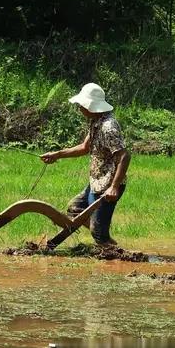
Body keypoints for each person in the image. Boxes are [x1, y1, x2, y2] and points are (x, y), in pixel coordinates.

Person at [40, 83, 131, 246]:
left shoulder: (108, 127)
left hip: (108, 185)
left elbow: (124, 156)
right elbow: (84, 147)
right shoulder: (95, 121)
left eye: (82, 105)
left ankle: (116, 257)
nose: (79, 108)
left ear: (91, 105)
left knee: (98, 234)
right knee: (75, 209)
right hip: (96, 181)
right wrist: (57, 154)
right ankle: (103, 235)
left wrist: (114, 187)